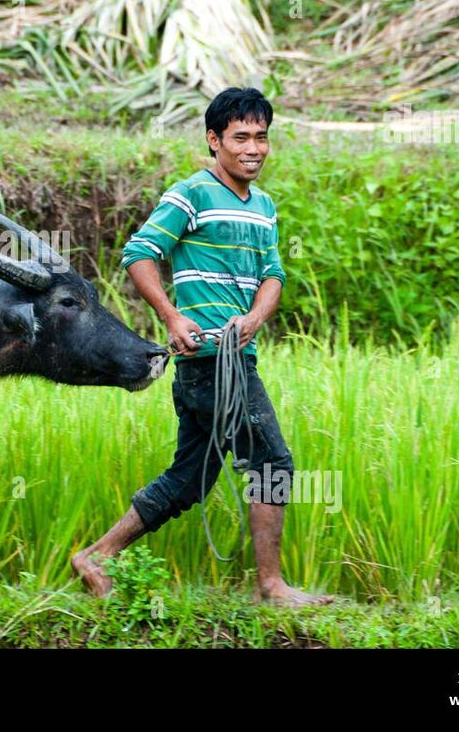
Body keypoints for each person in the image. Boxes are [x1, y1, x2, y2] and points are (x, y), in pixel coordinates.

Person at [71, 87, 335, 606]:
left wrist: (258, 316)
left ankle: (97, 556)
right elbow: (140, 253)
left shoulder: (263, 206)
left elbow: (273, 274)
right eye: (241, 137)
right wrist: (171, 316)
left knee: (189, 479)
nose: (253, 148)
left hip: (235, 358)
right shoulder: (190, 194)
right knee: (272, 464)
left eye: (261, 137)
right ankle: (271, 587)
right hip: (211, 363)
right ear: (214, 141)